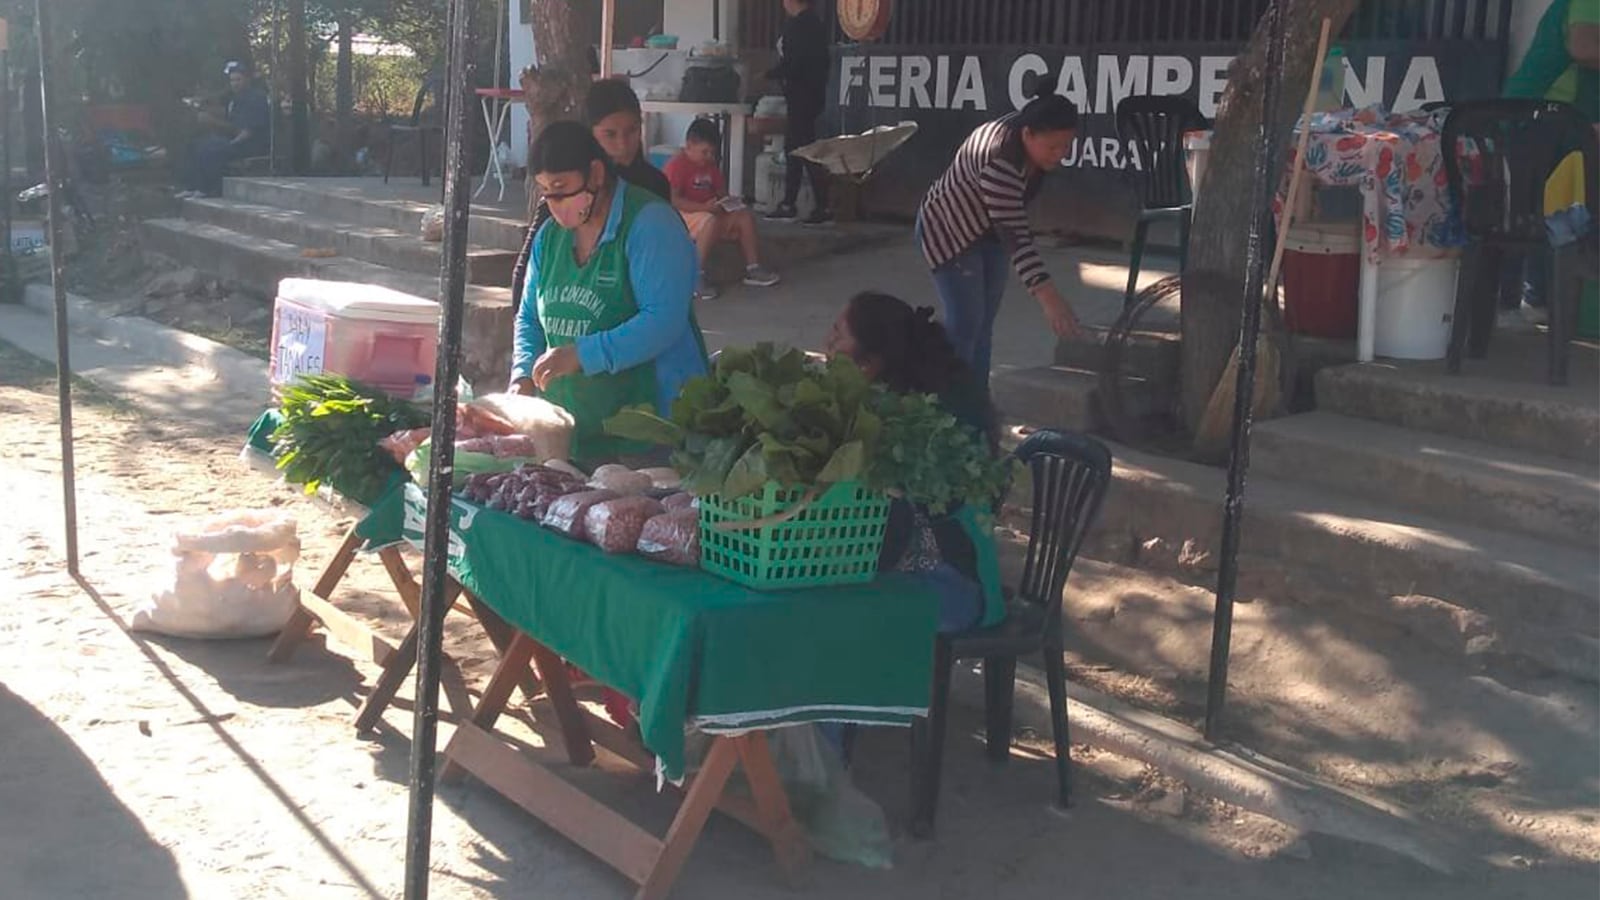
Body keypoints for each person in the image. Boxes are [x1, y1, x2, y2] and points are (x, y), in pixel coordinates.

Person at [509, 121, 707, 462]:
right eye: (545, 191)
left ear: (596, 174)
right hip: (573, 432)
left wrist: (583, 355)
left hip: (651, 430)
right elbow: (528, 317)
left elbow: (664, 319)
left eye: (561, 188)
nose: (554, 203)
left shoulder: (651, 224)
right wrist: (522, 374)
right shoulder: (549, 237)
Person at [824, 291, 1005, 635]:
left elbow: (889, 537)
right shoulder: (898, 402)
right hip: (905, 575)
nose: (827, 345)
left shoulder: (919, 426)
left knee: (827, 617)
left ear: (869, 363)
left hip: (953, 590)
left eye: (837, 336)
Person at [916, 82, 1084, 394]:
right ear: (1027, 134)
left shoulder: (1024, 124)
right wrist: (1050, 299)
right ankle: (944, 405)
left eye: (1066, 146)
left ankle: (976, 404)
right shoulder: (1000, 162)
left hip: (991, 233)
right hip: (949, 231)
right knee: (964, 327)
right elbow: (1016, 237)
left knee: (982, 329)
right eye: (1052, 147)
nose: (1060, 154)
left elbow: (1008, 229)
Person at [510, 79, 672, 310]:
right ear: (590, 134)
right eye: (610, 134)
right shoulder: (569, 188)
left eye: (632, 131)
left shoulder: (654, 185)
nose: (623, 144)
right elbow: (526, 269)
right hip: (571, 309)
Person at [1498, 0, 1599, 328]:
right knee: (1530, 212)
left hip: (1569, 124)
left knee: (1562, 212)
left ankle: (1540, 299)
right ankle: (1513, 300)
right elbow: (1584, 46)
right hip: (1538, 117)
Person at [665, 118, 781, 300]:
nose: (708, 157)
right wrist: (703, 208)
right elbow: (672, 200)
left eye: (712, 153)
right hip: (682, 217)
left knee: (744, 217)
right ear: (689, 145)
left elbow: (721, 193)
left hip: (709, 213)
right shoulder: (677, 165)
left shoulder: (711, 167)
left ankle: (753, 268)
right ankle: (695, 275)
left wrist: (729, 203)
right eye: (704, 152)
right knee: (709, 221)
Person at [765, 0, 831, 225]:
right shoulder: (816, 24)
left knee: (804, 149)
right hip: (812, 95)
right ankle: (792, 203)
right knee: (795, 148)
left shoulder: (799, 26)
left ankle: (819, 205)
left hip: (801, 96)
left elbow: (794, 63)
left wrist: (769, 74)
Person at [177, 61, 269, 199]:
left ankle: (207, 189)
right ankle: (191, 186)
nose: (234, 84)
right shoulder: (234, 98)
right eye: (232, 80)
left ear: (247, 79)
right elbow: (230, 122)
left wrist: (230, 143)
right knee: (195, 144)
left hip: (249, 144)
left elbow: (248, 131)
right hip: (233, 139)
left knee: (211, 148)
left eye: (238, 79)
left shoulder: (256, 98)